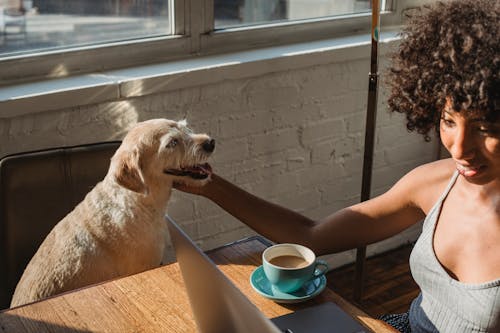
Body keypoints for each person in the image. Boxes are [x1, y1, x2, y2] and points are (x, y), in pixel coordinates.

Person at [174, 1, 499, 332]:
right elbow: (310, 237)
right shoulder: (434, 184)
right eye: (448, 120)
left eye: (485, 129)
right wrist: (209, 185)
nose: (459, 148)